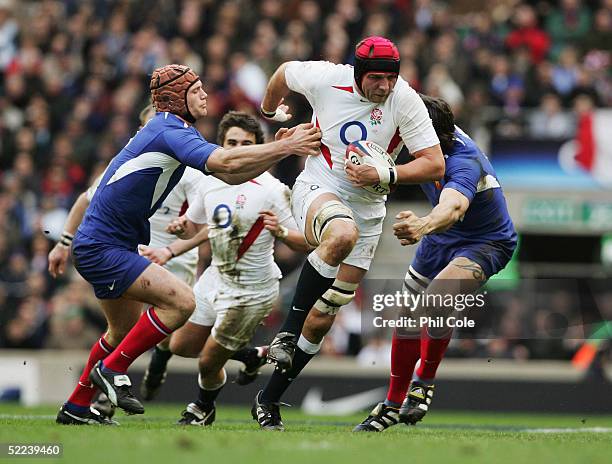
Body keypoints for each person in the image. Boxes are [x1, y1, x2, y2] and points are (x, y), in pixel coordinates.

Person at [54, 64, 321, 425]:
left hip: (103, 244)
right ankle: (113, 369)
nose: (205, 95)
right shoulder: (169, 128)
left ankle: (76, 406)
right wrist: (286, 145)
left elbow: (231, 173)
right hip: (106, 247)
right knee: (182, 303)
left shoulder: (169, 130)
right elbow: (224, 161)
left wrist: (281, 150)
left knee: (119, 332)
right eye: (196, 89)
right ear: (176, 96)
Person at [252, 36, 444, 430]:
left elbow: (434, 163)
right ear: (358, 73)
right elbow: (283, 72)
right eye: (376, 79)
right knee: (340, 234)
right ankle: (286, 332)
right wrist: (271, 111)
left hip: (370, 211)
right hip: (318, 187)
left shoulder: (404, 99)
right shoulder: (326, 78)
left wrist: (385, 173)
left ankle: (267, 399)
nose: (384, 87)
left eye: (391, 79)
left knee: (323, 319)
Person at [353, 95, 517, 432]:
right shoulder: (430, 135)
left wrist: (423, 224)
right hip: (441, 240)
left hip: (485, 241)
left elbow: (453, 207)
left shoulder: (463, 161)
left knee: (436, 301)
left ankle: (424, 381)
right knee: (408, 316)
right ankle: (392, 404)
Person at [159, 111, 310, 426]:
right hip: (216, 276)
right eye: (232, 143)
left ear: (258, 147)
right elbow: (197, 226)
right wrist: (181, 226)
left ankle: (202, 407)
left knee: (207, 362)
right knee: (180, 345)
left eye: (246, 143)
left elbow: (307, 242)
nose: (239, 149)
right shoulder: (209, 181)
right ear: (221, 145)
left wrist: (282, 233)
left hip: (252, 291)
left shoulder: (272, 189)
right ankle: (253, 355)